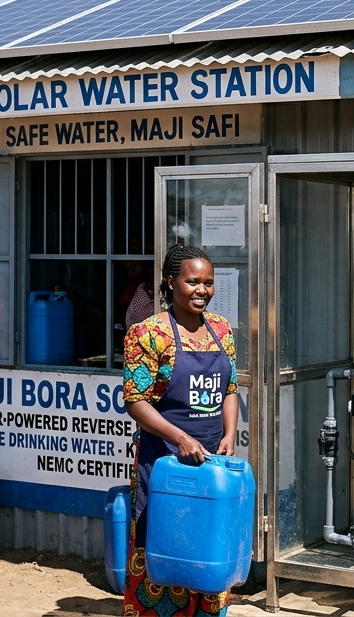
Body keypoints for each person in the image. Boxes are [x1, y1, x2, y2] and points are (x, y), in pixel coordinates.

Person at [121, 244, 240, 617]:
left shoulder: (221, 329)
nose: (201, 290)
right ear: (171, 282)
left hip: (212, 465)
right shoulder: (148, 334)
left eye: (208, 283)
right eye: (192, 282)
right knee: (162, 545)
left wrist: (230, 434)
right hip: (164, 464)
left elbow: (231, 388)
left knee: (208, 546)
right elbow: (135, 401)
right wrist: (180, 438)